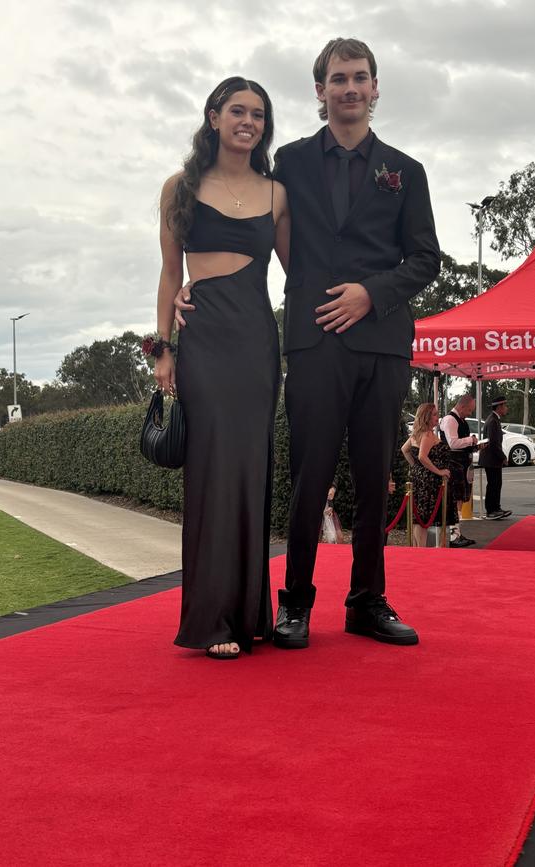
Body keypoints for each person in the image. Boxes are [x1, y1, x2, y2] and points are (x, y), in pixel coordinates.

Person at [176, 39, 440, 649]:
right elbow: (232, 210)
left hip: (382, 342)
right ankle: (293, 603)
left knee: (375, 479)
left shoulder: (408, 170)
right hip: (313, 340)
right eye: (338, 79)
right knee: (308, 474)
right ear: (319, 92)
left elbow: (426, 257)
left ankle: (367, 601)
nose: (350, 88)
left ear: (375, 88)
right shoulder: (287, 165)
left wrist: (371, 294)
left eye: (360, 78)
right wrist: (197, 285)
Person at [154, 77, 289, 659]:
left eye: (258, 114)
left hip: (257, 341)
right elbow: (167, 273)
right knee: (212, 472)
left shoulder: (278, 193)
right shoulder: (179, 187)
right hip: (203, 339)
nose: (249, 122)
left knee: (251, 470)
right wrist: (162, 349)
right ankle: (211, 619)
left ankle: (248, 613)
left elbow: (299, 270)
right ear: (213, 117)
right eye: (237, 111)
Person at [401, 404, 459, 546]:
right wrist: (439, 471)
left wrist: (416, 468)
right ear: (426, 417)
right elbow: (422, 456)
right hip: (429, 482)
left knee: (419, 517)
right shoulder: (427, 434)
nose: (437, 417)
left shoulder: (417, 434)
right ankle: (421, 550)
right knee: (423, 517)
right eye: (434, 414)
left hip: (420, 479)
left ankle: (418, 549)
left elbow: (405, 450)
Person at [439, 394, 478, 546]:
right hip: (453, 465)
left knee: (460, 499)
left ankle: (457, 533)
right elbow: (453, 443)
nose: (470, 413)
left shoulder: (461, 420)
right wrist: (470, 440)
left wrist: (474, 445)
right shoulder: (450, 420)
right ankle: (454, 536)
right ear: (461, 406)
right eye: (469, 410)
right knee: (455, 499)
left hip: (462, 465)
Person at [479, 395, 513, 520]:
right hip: (491, 458)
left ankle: (496, 508)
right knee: (494, 484)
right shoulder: (493, 420)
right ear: (499, 407)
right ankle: (491, 510)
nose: (506, 408)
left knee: (496, 484)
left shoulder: (494, 419)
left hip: (492, 458)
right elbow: (494, 443)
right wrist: (503, 457)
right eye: (505, 406)